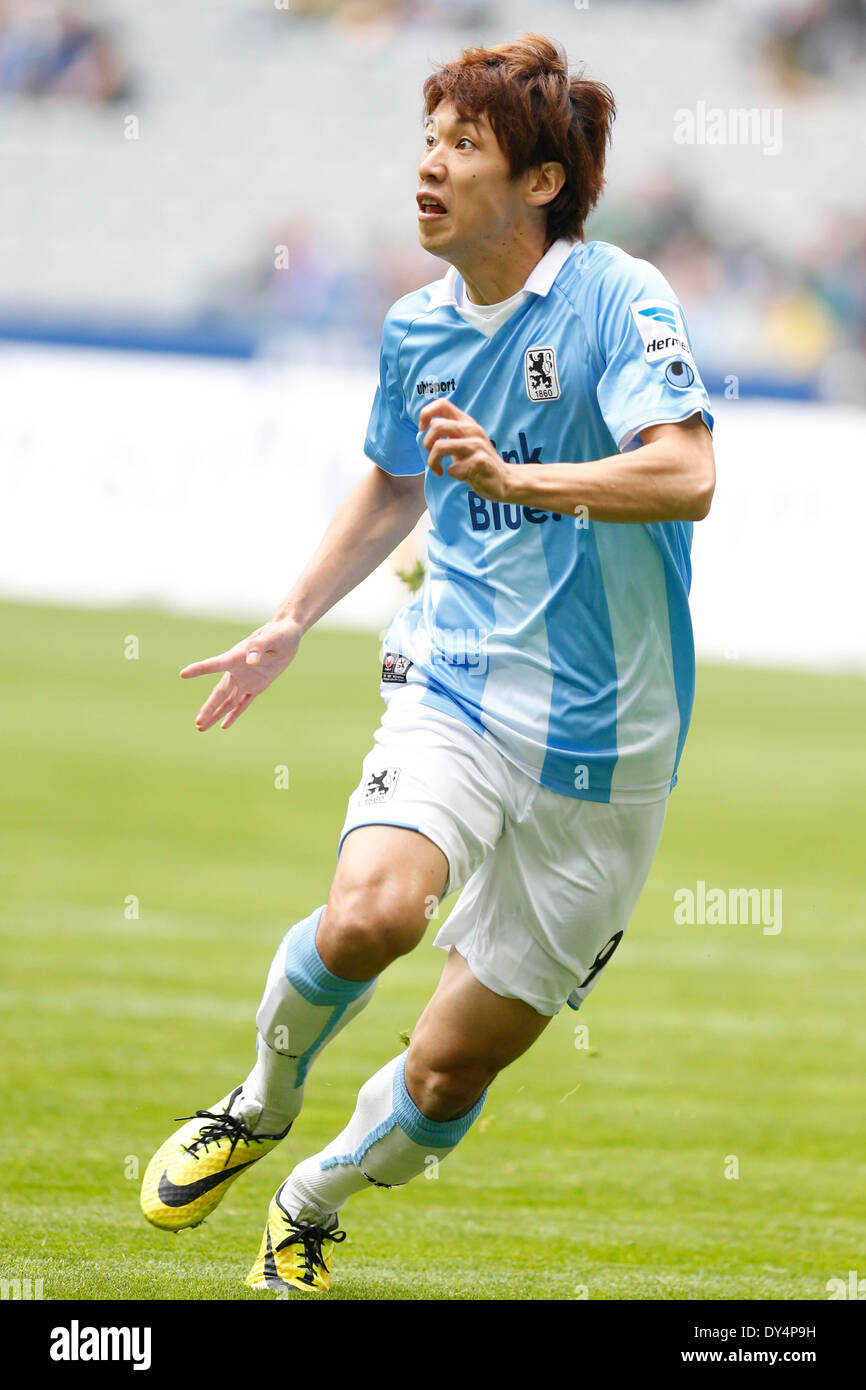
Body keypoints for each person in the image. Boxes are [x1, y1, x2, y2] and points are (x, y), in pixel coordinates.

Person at [140, 33, 715, 1295]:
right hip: (453, 686)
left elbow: (687, 474)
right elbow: (396, 479)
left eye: (464, 144)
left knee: (452, 1072)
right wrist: (292, 613)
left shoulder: (618, 296)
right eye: (428, 137)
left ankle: (311, 1199)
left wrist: (521, 479)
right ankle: (256, 1105)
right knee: (371, 914)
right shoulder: (414, 327)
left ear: (541, 183)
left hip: (611, 749)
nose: (429, 166)